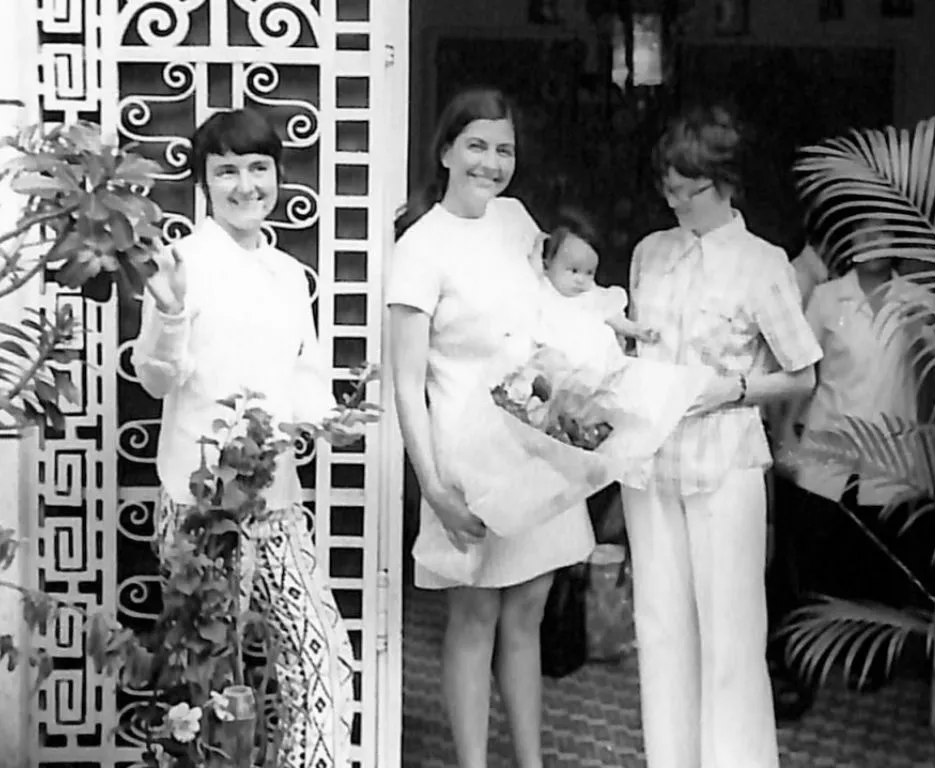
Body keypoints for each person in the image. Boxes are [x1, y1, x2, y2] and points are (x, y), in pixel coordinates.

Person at [131, 108, 355, 768]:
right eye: (226, 170)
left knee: (318, 659)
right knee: (202, 688)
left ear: (278, 175)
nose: (245, 184)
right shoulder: (182, 265)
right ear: (204, 181)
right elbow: (154, 377)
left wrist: (328, 421)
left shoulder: (288, 274)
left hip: (276, 499)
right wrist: (169, 313)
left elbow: (305, 375)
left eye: (258, 168)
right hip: (201, 506)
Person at [387, 87, 595, 768]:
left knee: (529, 610)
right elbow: (406, 385)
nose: (491, 161)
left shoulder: (516, 221)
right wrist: (433, 489)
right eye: (476, 145)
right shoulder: (420, 248)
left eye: (504, 148)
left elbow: (562, 306)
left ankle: (529, 762)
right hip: (467, 459)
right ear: (446, 150)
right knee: (474, 617)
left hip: (535, 448)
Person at [620, 104, 823, 768]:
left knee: (731, 639)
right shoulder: (651, 252)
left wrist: (729, 390)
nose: (677, 201)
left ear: (727, 182)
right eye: (669, 188)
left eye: (692, 189)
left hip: (726, 461)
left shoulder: (762, 263)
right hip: (649, 463)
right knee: (660, 628)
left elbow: (803, 374)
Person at [775, 219, 935, 684]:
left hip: (890, 452)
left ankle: (868, 662)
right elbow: (802, 370)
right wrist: (787, 433)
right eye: (863, 234)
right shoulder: (827, 298)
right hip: (829, 442)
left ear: (898, 243)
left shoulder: (918, 303)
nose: (872, 244)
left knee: (877, 564)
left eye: (883, 235)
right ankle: (807, 658)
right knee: (818, 556)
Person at [534, 206, 660, 345]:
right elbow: (532, 270)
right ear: (548, 264)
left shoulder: (591, 295)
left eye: (589, 273)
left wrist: (638, 331)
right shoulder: (544, 288)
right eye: (574, 270)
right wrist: (538, 247)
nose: (581, 280)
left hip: (595, 355)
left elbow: (615, 320)